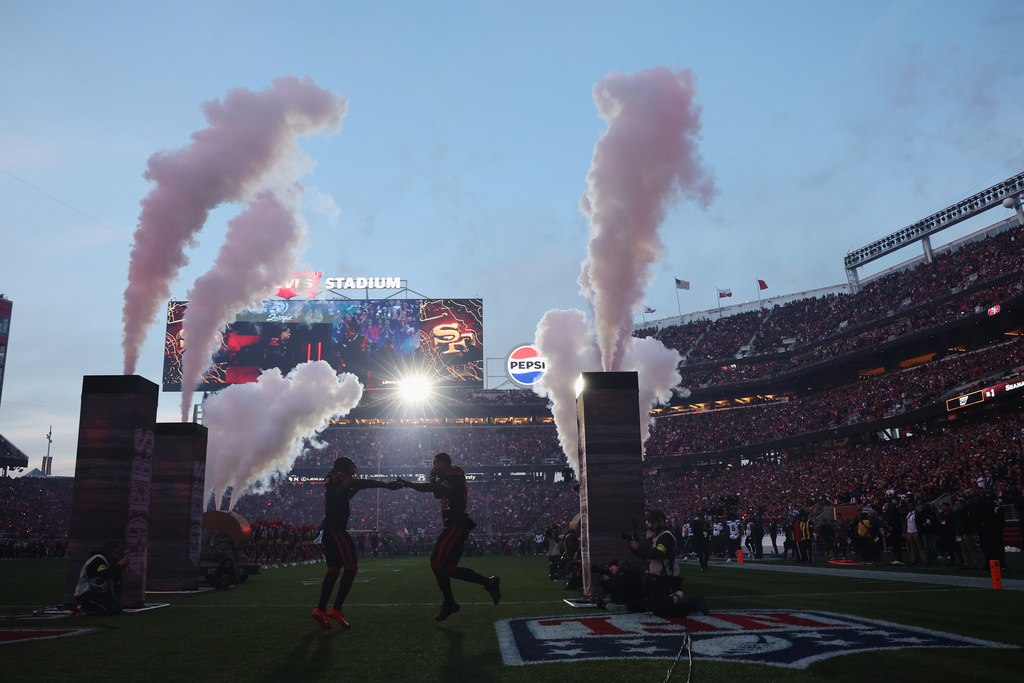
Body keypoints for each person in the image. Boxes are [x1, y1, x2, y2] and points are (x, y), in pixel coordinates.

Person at [399, 452, 501, 621]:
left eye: (435, 463)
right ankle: (488, 583)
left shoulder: (454, 471)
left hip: (456, 524)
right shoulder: (446, 477)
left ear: (443, 462)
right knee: (449, 569)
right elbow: (429, 488)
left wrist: (433, 478)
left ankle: (450, 603)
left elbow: (437, 492)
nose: (433, 467)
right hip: (456, 525)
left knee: (436, 563)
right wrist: (408, 484)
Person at [312, 456, 402, 630]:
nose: (354, 470)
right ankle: (336, 609)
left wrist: (358, 488)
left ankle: (320, 610)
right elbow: (356, 484)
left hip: (330, 529)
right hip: (336, 530)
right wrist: (385, 485)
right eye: (352, 467)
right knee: (351, 567)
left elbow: (345, 495)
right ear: (345, 467)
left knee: (334, 570)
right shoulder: (339, 476)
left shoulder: (334, 480)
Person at [628, 509, 707, 617]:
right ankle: (679, 598)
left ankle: (694, 603)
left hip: (667, 578)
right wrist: (634, 547)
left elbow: (657, 553)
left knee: (665, 611)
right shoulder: (656, 537)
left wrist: (638, 548)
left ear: (661, 522)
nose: (651, 525)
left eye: (654, 522)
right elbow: (644, 554)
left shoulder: (666, 536)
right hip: (658, 578)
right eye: (650, 522)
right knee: (656, 610)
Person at [72, 541, 130, 615]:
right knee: (106, 611)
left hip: (98, 593)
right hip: (86, 593)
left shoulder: (107, 562)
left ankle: (86, 608)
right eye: (114, 553)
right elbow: (104, 574)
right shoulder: (99, 560)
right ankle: (82, 609)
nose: (116, 556)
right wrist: (118, 565)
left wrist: (120, 568)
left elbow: (113, 580)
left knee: (117, 610)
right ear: (109, 552)